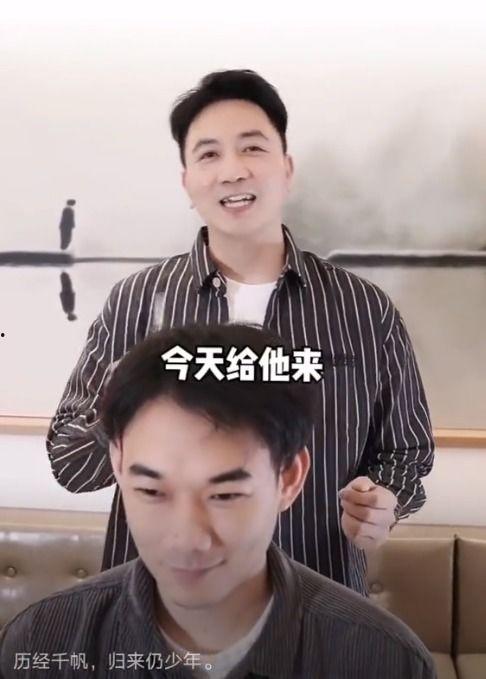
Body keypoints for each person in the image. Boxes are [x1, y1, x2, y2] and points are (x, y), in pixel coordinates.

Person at [46, 69, 435, 595]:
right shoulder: (137, 302)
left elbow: (407, 452)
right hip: (159, 605)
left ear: (286, 168)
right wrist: (124, 399)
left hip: (315, 601)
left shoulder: (362, 308)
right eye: (208, 154)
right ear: (187, 181)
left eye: (252, 148)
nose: (232, 171)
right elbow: (71, 465)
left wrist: (384, 500)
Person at [3, 325, 437, 679]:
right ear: (118, 464)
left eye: (225, 495)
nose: (186, 539)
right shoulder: (44, 642)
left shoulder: (383, 658)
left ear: (288, 478)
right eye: (152, 491)